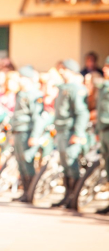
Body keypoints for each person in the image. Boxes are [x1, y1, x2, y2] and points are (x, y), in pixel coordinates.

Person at [52, 59, 90, 208]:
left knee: (71, 162)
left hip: (70, 131)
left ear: (72, 71)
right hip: (62, 130)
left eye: (65, 69)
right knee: (64, 164)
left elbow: (82, 113)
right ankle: (67, 196)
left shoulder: (75, 88)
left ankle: (73, 198)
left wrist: (78, 133)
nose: (61, 71)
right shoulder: (63, 87)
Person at [11, 65, 45, 202]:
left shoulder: (34, 95)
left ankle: (31, 193)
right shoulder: (21, 93)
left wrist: (35, 136)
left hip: (27, 132)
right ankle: (25, 192)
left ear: (28, 79)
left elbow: (38, 118)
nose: (19, 80)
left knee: (27, 161)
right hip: (18, 132)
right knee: (21, 162)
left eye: (22, 77)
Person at [96, 56, 109, 215]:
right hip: (104, 129)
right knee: (107, 166)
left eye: (107, 67)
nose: (104, 69)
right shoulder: (104, 86)